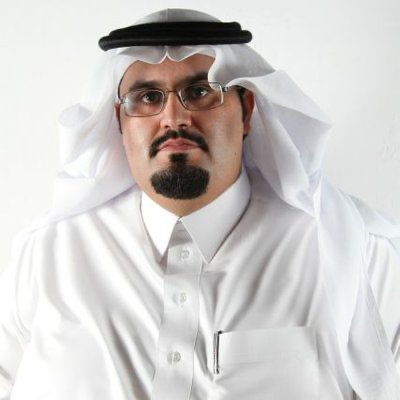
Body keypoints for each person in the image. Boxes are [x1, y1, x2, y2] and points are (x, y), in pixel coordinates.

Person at [0, 8, 399, 400]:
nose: (174, 118)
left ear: (246, 110)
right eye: (147, 97)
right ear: (120, 121)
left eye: (200, 92)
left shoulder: (356, 253)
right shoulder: (45, 258)